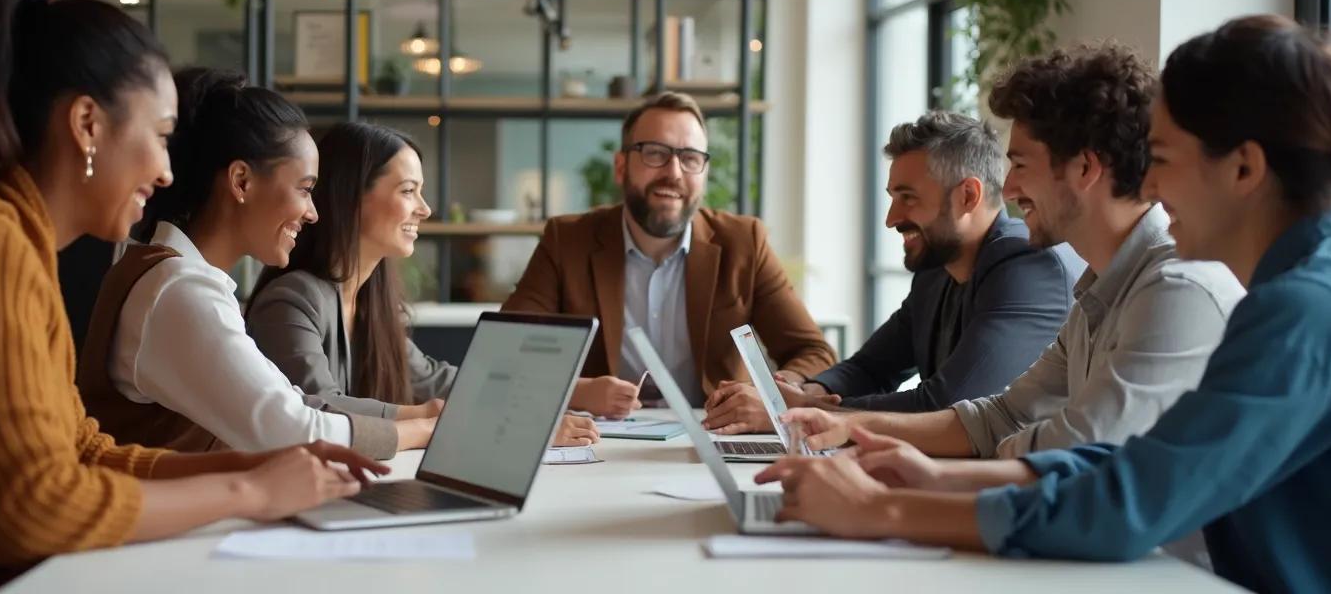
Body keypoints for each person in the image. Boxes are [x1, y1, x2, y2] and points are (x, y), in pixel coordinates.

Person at [757, 15, 1331, 593]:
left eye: (1163, 160)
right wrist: (936, 478)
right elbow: (1132, 461)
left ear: (1243, 169)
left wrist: (879, 512)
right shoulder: (1310, 290)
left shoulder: (1309, 310)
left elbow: (1129, 504)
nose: (1146, 182)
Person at [0, 0, 382, 591]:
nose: (166, 171)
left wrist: (261, 463)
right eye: (161, 136)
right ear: (87, 123)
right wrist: (248, 489)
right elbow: (34, 506)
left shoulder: (14, 248)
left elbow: (83, 451)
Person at [781, 43, 1244, 461]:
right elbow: (1000, 417)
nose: (1011, 185)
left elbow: (1077, 451)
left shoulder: (1174, 289)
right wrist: (837, 424)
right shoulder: (1097, 293)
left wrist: (889, 482)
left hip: (1155, 557)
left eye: (1020, 164)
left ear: (1084, 167)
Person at [77, 68, 426, 459]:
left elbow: (290, 403)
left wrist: (418, 417)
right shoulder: (178, 290)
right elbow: (295, 430)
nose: (312, 212)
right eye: (305, 189)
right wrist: (424, 429)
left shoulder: (177, 278)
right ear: (241, 181)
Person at [704, 111, 1082, 434]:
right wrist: (806, 387)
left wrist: (801, 414)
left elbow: (946, 405)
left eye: (908, 198)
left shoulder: (1028, 266)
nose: (891, 219)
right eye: (892, 198)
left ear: (968, 196)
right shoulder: (936, 272)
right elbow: (872, 367)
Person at [246, 121, 600, 447]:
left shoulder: (371, 300)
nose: (425, 209)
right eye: (408, 191)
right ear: (351, 197)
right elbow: (318, 412)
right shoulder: (292, 299)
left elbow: (435, 381)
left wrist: (572, 392)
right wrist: (491, 423)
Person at [502, 91, 836, 421]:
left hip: (713, 438)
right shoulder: (568, 240)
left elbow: (813, 353)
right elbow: (506, 351)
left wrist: (770, 394)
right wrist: (578, 391)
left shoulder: (744, 242)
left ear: (703, 173)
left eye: (690, 158)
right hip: (599, 440)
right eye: (655, 153)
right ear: (621, 167)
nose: (674, 173)